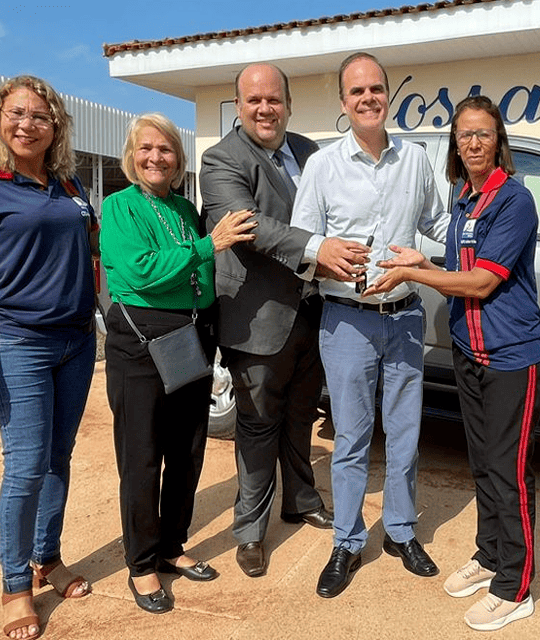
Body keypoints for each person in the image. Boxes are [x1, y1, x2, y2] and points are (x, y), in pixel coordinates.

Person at [363, 96, 540, 631]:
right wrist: (424, 260)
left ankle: (515, 586)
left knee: (510, 474)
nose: (473, 143)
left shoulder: (514, 200)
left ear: (498, 140)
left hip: (511, 359)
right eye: (464, 134)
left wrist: (410, 275)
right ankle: (489, 556)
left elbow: (483, 282)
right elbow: (461, 267)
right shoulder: (464, 197)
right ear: (455, 144)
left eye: (483, 133)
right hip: (471, 353)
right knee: (484, 465)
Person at [290, 52, 450, 598]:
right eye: (356, 91)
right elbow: (301, 239)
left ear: (388, 94)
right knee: (352, 439)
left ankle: (401, 532)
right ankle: (348, 540)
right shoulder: (322, 166)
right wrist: (325, 251)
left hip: (405, 318)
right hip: (346, 322)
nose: (368, 98)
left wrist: (431, 252)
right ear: (344, 101)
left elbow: (437, 223)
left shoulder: (416, 159)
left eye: (376, 89)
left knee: (405, 435)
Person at [199, 63, 368, 579]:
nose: (265, 109)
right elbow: (248, 225)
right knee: (256, 425)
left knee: (299, 415)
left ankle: (300, 499)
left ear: (289, 104)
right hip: (258, 317)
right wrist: (319, 248)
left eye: (274, 99)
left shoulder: (308, 150)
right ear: (238, 106)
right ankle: (250, 531)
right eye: (254, 100)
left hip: (314, 310)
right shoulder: (221, 159)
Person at [0, 75, 96, 640]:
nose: (27, 124)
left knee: (59, 458)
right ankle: (14, 585)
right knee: (27, 465)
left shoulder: (67, 183)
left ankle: (46, 557)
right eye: (16, 113)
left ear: (55, 126)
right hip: (17, 343)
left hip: (78, 341)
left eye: (40, 116)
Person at [100, 113, 256, 613]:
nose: (155, 157)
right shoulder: (119, 206)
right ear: (132, 155)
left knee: (186, 450)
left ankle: (172, 544)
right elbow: (142, 271)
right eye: (146, 148)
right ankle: (142, 563)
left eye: (165, 149)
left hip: (190, 335)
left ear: (178, 158)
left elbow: (202, 276)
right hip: (141, 341)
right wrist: (208, 245)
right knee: (142, 456)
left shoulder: (186, 208)